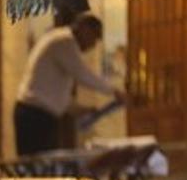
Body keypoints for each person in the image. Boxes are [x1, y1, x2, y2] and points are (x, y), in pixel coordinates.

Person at [14, 12, 124, 155]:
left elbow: (52, 90)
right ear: (85, 29)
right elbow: (82, 74)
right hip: (35, 116)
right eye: (94, 38)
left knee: (45, 165)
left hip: (38, 115)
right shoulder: (64, 41)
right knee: (39, 165)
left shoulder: (60, 40)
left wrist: (78, 109)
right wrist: (114, 91)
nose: (93, 45)